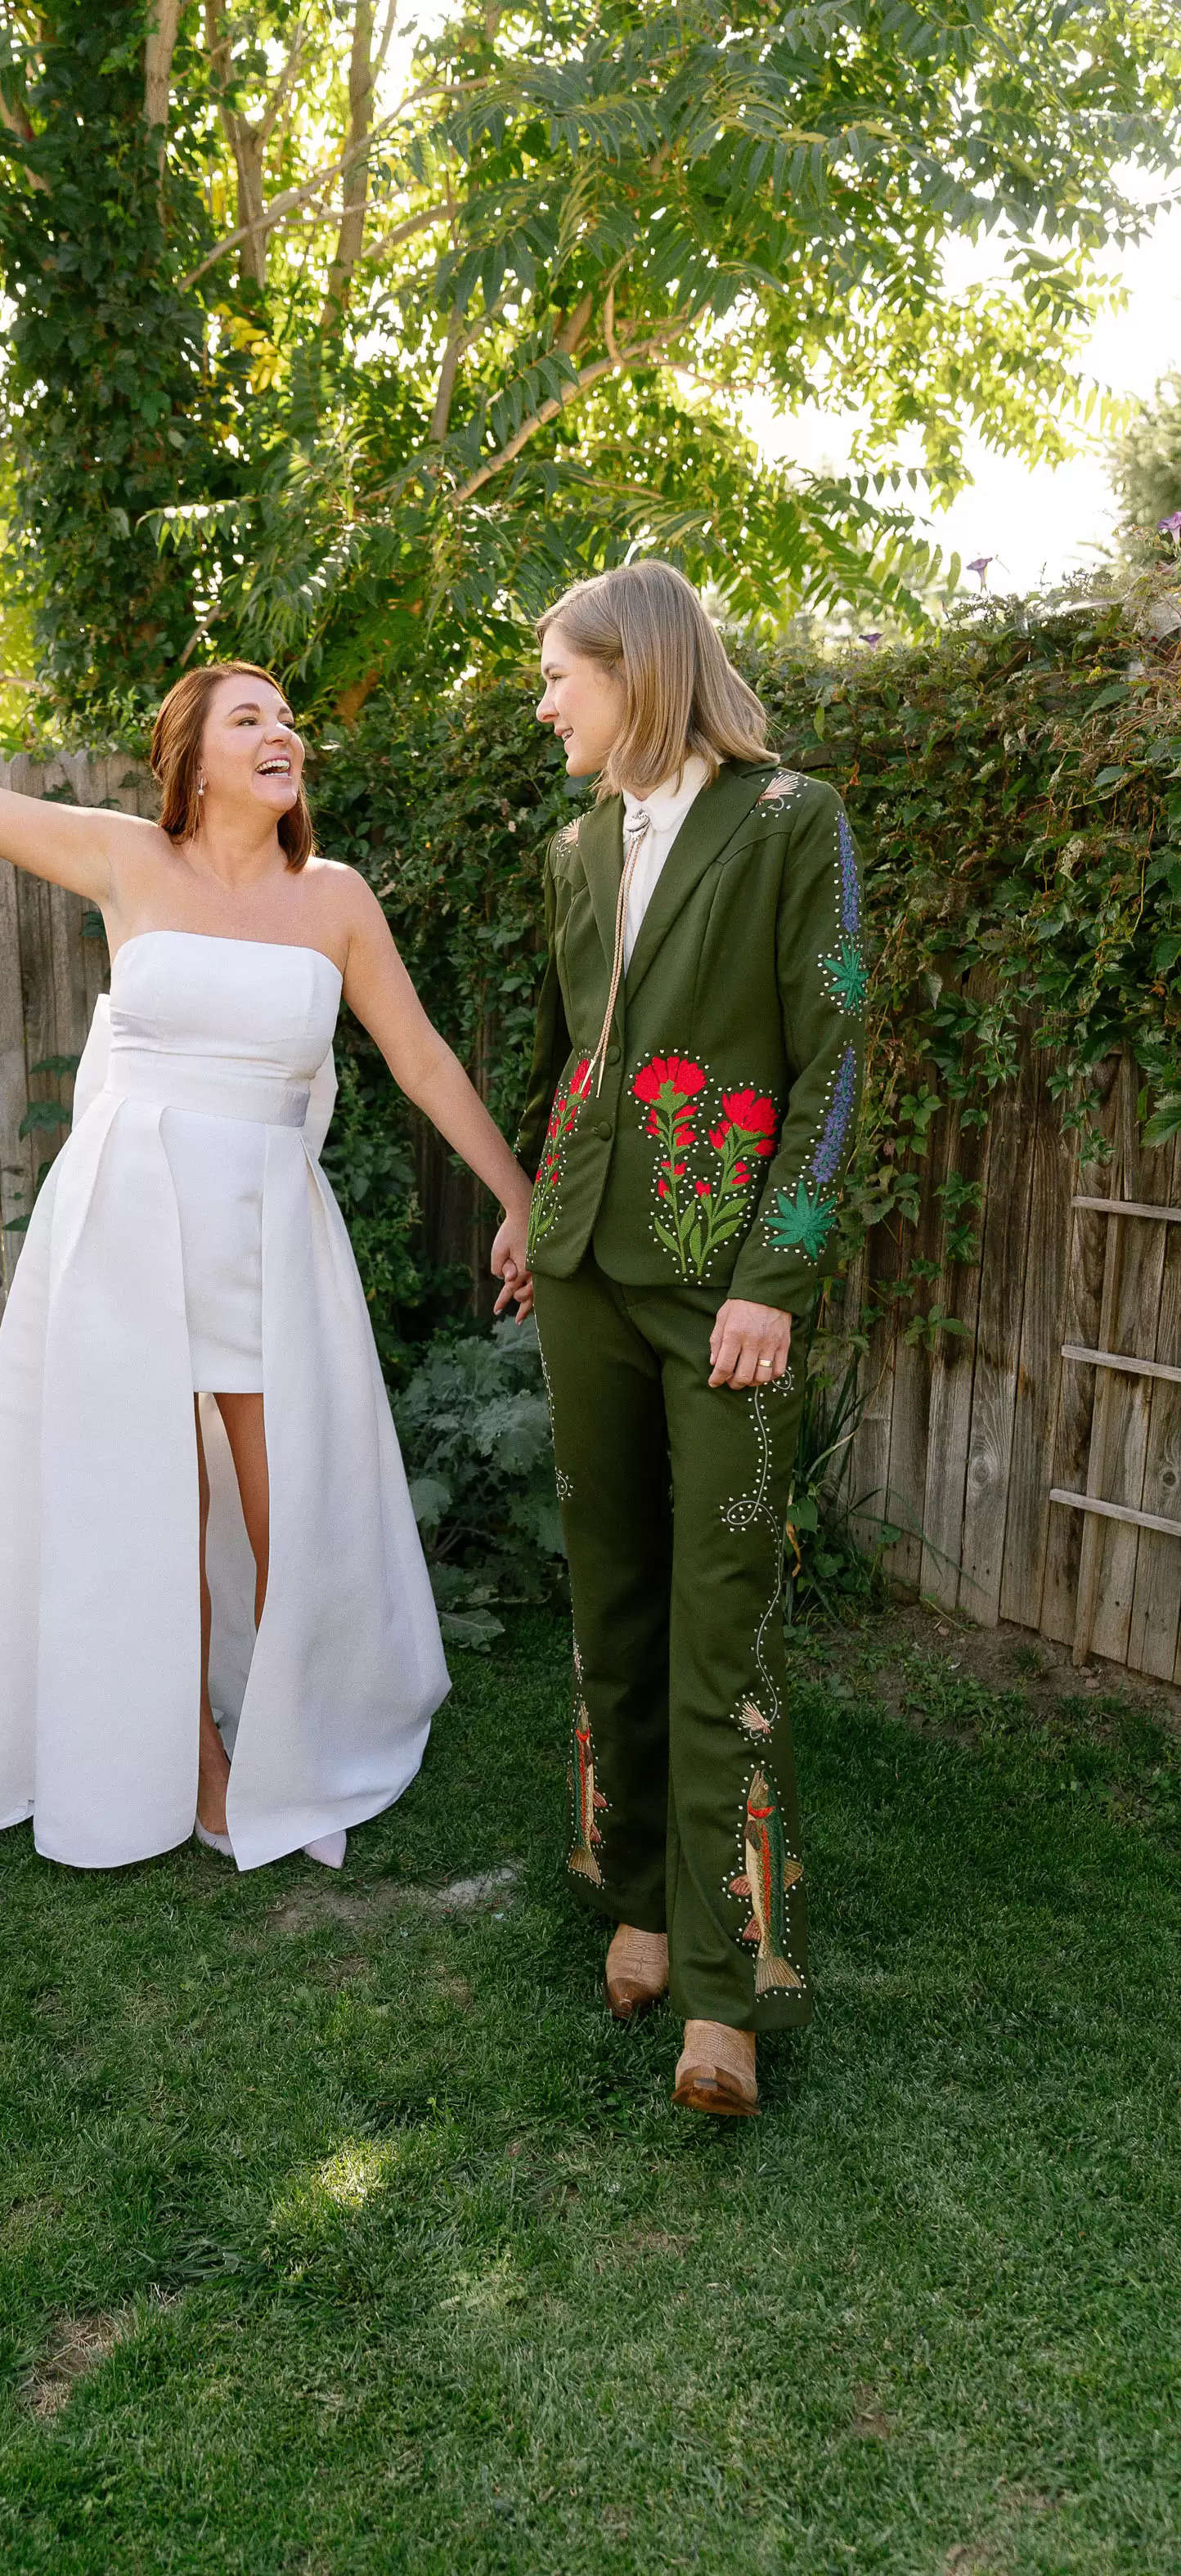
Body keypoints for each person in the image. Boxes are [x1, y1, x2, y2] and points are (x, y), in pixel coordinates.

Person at [0, 648, 537, 1873]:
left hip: (267, 1230)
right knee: (156, 1502)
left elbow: (421, 1061)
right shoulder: (125, 859)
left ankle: (296, 1749)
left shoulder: (338, 898)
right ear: (191, 760)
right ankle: (193, 1759)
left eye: (290, 719)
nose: (282, 732)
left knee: (284, 1493)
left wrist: (519, 1196)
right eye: (250, 717)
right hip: (129, 1219)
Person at [489, 563, 864, 2116]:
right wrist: (530, 1204)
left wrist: (777, 1273)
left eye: (559, 675)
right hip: (582, 1265)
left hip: (725, 1291)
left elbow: (836, 1053)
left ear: (637, 670)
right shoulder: (579, 846)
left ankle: (729, 1985)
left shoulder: (792, 819)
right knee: (614, 1599)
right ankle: (635, 1893)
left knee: (723, 1623)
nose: (544, 701)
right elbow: (582, 1046)